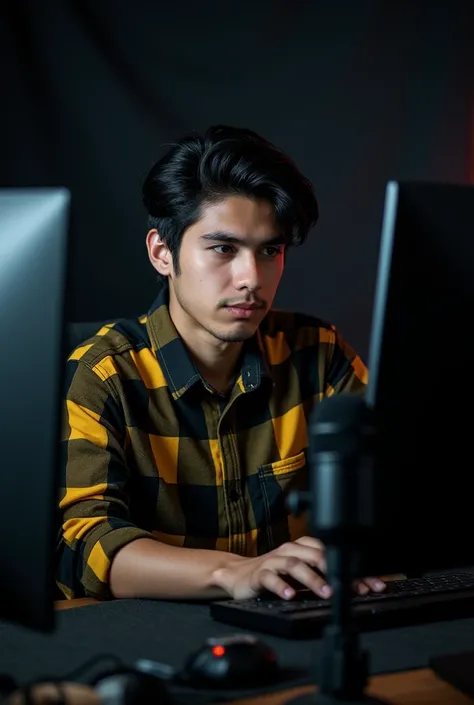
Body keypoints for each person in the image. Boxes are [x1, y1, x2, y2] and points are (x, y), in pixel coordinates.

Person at [57, 125, 384, 602]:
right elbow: (86, 545)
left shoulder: (320, 354)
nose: (252, 278)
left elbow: (395, 489)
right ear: (162, 253)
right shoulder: (104, 374)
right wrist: (235, 573)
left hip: (296, 624)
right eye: (223, 248)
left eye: (270, 250)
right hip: (147, 642)